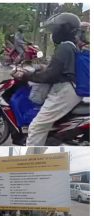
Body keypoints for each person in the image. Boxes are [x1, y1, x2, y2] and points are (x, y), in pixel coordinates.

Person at [13, 13, 83, 146]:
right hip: (72, 88)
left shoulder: (64, 48)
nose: (52, 33)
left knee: (36, 127)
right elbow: (60, 68)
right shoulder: (71, 46)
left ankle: (31, 161)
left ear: (63, 29)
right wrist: (45, 67)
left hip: (64, 91)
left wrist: (27, 75)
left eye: (55, 29)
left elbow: (49, 76)